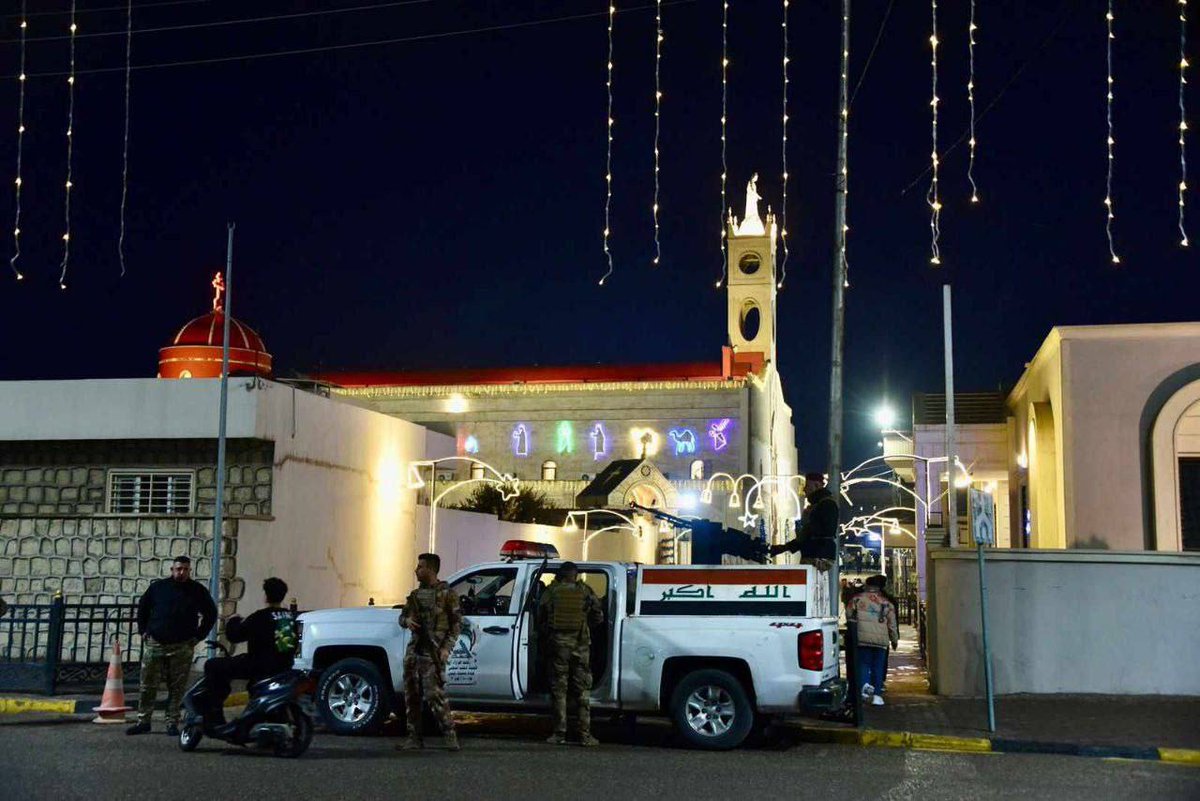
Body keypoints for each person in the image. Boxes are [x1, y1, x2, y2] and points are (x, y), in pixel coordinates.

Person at [127, 555, 217, 736]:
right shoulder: (158, 588)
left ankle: (172, 722)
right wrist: (143, 630)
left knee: (176, 687)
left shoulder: (197, 591)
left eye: (185, 569)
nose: (181, 572)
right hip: (156, 644)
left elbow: (210, 614)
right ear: (172, 570)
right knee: (147, 685)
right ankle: (143, 720)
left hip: (181, 646)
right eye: (178, 569)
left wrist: (198, 636)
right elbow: (143, 608)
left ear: (189, 571)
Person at [201, 577, 297, 728]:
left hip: (258, 665)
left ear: (265, 596)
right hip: (283, 666)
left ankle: (214, 714)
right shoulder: (289, 617)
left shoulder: (260, 617)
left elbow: (235, 636)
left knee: (213, 665)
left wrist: (233, 620)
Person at [397, 553, 463, 752]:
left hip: (432, 651)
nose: (416, 570)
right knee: (411, 695)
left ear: (431, 570)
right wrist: (407, 621)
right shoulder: (415, 596)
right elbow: (402, 617)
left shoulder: (447, 594)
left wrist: (445, 649)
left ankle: (450, 734)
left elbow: (457, 624)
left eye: (420, 566)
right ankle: (414, 737)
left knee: (435, 694)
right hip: (415, 651)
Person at [537, 561, 604, 746]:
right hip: (581, 646)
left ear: (560, 575)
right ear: (575, 575)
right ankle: (585, 735)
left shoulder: (551, 592)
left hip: (558, 647)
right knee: (582, 690)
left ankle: (559, 734)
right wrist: (585, 626)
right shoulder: (586, 591)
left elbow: (540, 617)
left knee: (559, 690)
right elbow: (598, 616)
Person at [846, 574, 898, 707]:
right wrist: (894, 639)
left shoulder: (856, 600)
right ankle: (877, 695)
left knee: (863, 664)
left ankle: (864, 688)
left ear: (867, 586)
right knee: (878, 667)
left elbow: (849, 616)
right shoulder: (886, 602)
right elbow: (892, 624)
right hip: (881, 640)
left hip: (862, 638)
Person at [769, 472, 839, 569]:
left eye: (807, 485)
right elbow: (805, 536)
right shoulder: (818, 506)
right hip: (815, 554)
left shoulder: (826, 504)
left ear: (817, 485)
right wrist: (783, 548)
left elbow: (825, 531)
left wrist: (808, 523)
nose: (804, 489)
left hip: (817, 556)